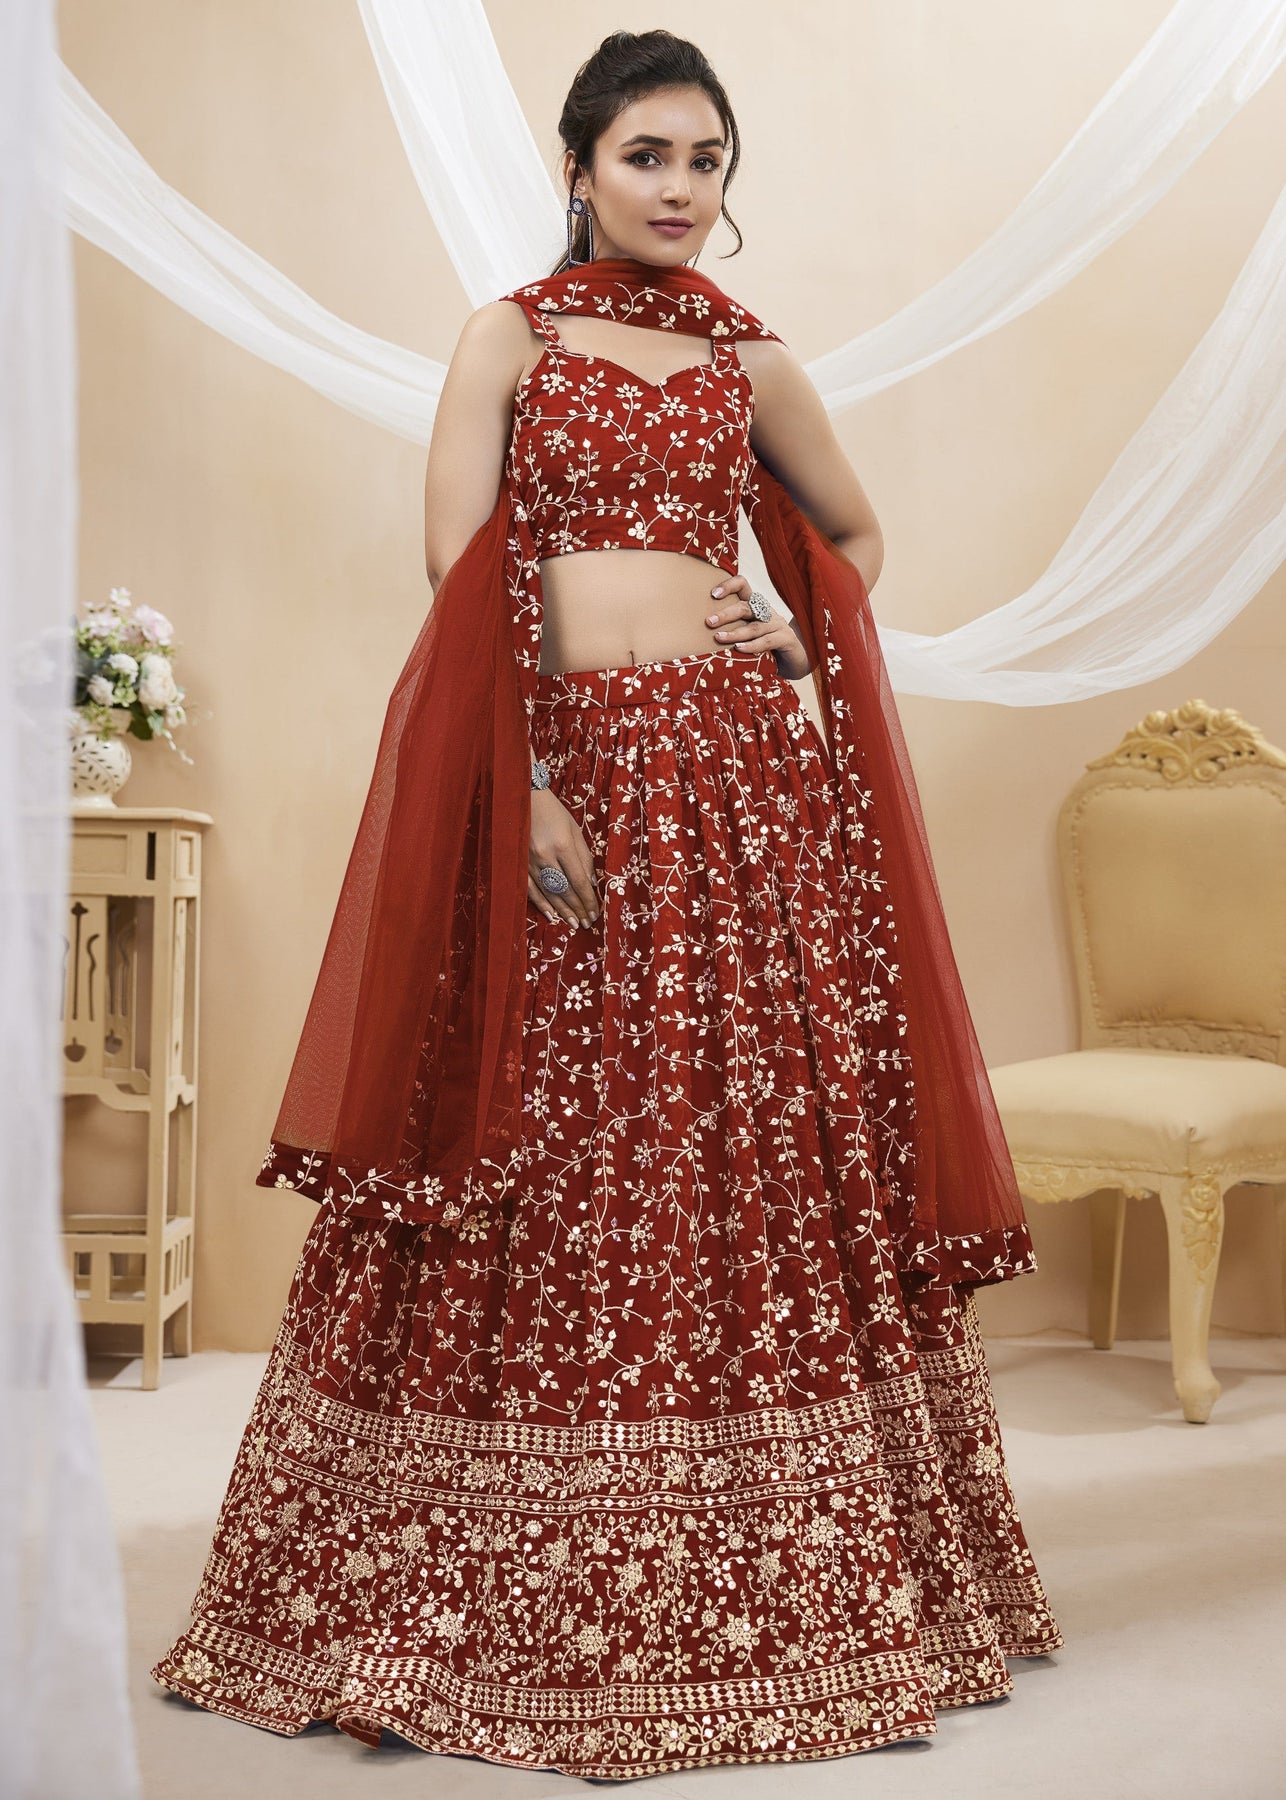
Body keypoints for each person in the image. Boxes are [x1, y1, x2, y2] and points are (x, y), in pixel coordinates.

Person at [153, 27, 1062, 1781]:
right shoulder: (507, 335)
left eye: (706, 161)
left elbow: (851, 539)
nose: (679, 189)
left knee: (734, 1137)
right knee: (548, 1136)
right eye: (648, 155)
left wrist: (787, 631)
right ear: (577, 168)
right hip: (562, 764)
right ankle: (482, 1567)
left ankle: (776, 1564)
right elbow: (458, 565)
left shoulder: (748, 356)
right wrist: (525, 783)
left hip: (735, 788)